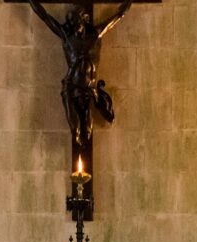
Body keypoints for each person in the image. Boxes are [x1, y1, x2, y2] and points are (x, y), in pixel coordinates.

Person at [26, 0, 133, 150]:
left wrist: (124, 10)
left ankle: (82, 162)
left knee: (88, 131)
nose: (74, 25)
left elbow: (113, 20)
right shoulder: (67, 37)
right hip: (71, 86)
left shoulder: (95, 35)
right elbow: (45, 17)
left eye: (77, 21)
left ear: (84, 20)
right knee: (75, 130)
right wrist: (32, 2)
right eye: (72, 22)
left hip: (89, 88)